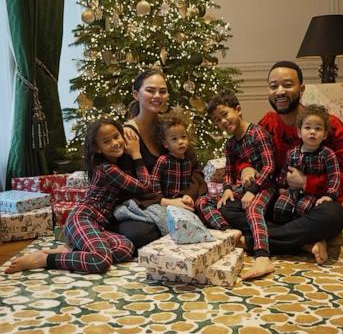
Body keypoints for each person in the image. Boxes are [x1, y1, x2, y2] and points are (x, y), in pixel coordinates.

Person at [222, 61, 343, 265]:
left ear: (302, 88)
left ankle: (255, 240)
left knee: (334, 216)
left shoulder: (327, 125)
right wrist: (246, 168)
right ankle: (302, 242)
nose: (280, 91)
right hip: (279, 201)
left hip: (313, 205)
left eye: (287, 85)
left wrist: (308, 183)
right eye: (274, 86)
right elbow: (242, 156)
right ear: (268, 91)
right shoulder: (268, 123)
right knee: (227, 208)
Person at [5, 118, 151, 274]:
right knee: (102, 260)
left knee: (126, 248)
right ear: (98, 148)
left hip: (97, 224)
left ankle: (68, 251)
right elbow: (144, 186)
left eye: (116, 136)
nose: (115, 143)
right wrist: (136, 153)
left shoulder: (115, 165)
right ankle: (44, 260)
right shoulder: (107, 169)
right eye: (106, 141)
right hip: (82, 219)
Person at [111, 70, 207, 247]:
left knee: (209, 212)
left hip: (177, 200)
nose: (157, 96)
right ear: (136, 94)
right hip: (144, 204)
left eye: (162, 91)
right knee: (138, 235)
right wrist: (165, 202)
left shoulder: (170, 127)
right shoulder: (128, 135)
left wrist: (185, 198)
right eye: (150, 90)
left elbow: (195, 169)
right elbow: (126, 187)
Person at [196, 89, 276, 280]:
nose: (222, 122)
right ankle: (229, 233)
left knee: (253, 209)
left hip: (265, 186)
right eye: (217, 120)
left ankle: (262, 256)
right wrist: (227, 190)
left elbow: (270, 166)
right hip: (243, 188)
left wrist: (253, 190)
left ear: (238, 110)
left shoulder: (258, 134)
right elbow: (229, 172)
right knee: (203, 202)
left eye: (225, 115)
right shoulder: (230, 144)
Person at [113, 108, 203, 235]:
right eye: (174, 139)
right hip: (155, 201)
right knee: (141, 233)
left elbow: (195, 174)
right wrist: (163, 201)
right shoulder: (161, 158)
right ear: (165, 143)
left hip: (182, 200)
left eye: (183, 137)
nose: (181, 142)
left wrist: (188, 195)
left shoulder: (187, 156)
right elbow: (151, 181)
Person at [274, 104, 342, 224]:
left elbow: (334, 176)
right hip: (292, 191)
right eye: (307, 128)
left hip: (313, 194)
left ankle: (301, 232)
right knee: (280, 206)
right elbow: (285, 170)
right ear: (299, 132)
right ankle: (282, 229)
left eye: (318, 129)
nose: (312, 132)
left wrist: (330, 195)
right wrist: (282, 186)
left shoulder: (327, 154)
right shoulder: (293, 152)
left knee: (303, 208)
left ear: (325, 134)